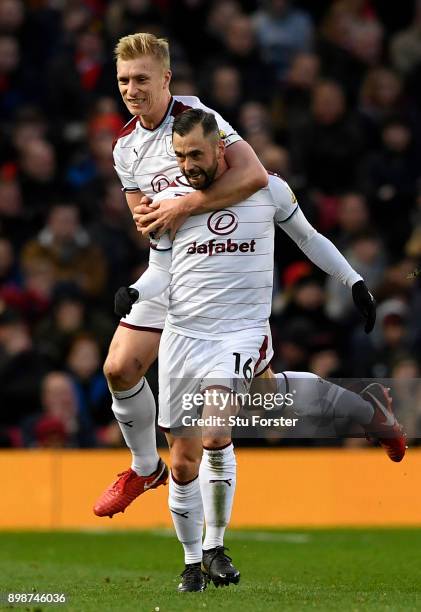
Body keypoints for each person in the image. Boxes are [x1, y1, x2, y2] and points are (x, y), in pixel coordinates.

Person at [116, 109, 406, 591]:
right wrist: (135, 292)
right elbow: (161, 273)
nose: (188, 165)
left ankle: (216, 549)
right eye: (181, 156)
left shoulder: (268, 189)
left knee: (215, 431)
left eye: (197, 155)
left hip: (241, 329)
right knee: (186, 458)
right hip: (184, 335)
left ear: (220, 150)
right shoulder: (169, 204)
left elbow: (309, 238)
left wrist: (353, 281)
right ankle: (192, 563)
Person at [93, 32, 268, 519]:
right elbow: (142, 217)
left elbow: (255, 174)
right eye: (124, 79)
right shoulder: (125, 147)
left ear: (166, 79)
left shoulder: (198, 119)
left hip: (221, 274)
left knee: (271, 392)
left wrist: (184, 204)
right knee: (118, 368)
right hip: (168, 270)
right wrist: (148, 216)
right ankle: (145, 467)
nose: (131, 89)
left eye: (142, 79)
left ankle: (363, 409)